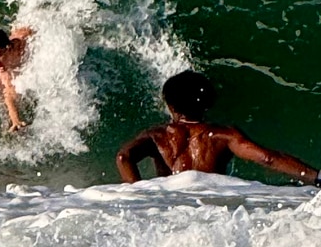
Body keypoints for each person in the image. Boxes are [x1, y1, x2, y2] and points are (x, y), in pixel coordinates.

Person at [116, 69, 321, 186]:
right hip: (208, 209)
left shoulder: (157, 136)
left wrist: (138, 193)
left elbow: (124, 157)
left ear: (170, 106)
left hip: (171, 210)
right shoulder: (222, 135)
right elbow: (268, 158)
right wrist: (316, 177)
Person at [0, 27, 34, 132]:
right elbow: (8, 94)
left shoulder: (20, 44)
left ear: (8, 48)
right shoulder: (1, 70)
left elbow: (29, 32)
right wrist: (15, 120)